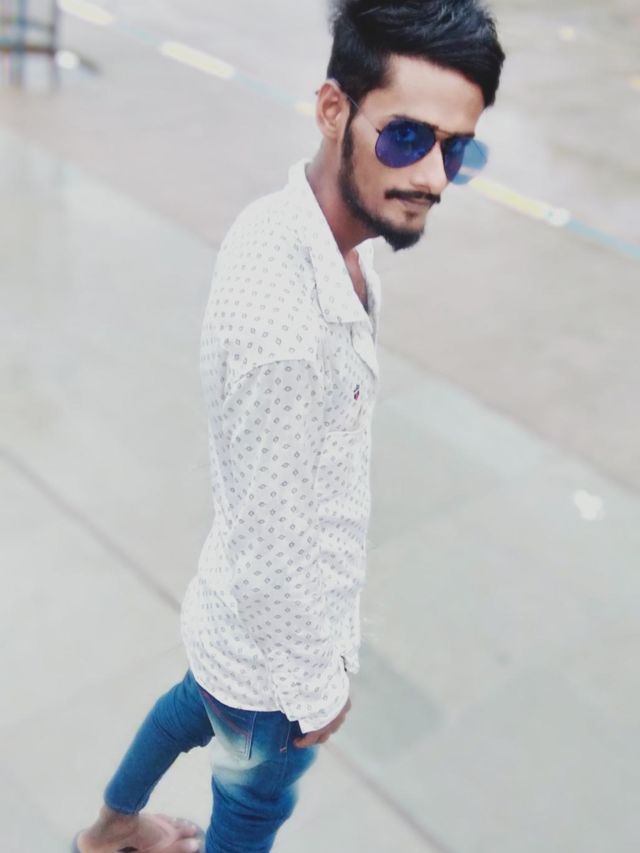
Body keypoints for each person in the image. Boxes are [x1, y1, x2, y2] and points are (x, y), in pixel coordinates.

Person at [73, 1, 505, 851]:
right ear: (332, 108)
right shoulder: (286, 337)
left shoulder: (309, 227)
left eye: (458, 149)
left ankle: (110, 828)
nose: (434, 177)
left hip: (226, 626)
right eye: (408, 138)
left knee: (187, 707)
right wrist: (317, 693)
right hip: (271, 670)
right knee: (250, 811)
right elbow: (274, 562)